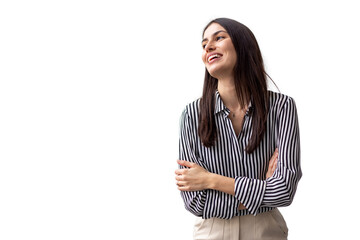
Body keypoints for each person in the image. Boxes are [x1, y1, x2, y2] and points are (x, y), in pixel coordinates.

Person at [175, 18, 302, 240]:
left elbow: (284, 190)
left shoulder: (282, 108)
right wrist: (262, 189)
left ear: (243, 46)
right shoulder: (191, 115)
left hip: (266, 231)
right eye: (204, 44)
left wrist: (211, 180)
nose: (208, 47)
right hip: (212, 232)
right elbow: (195, 201)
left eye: (219, 37)